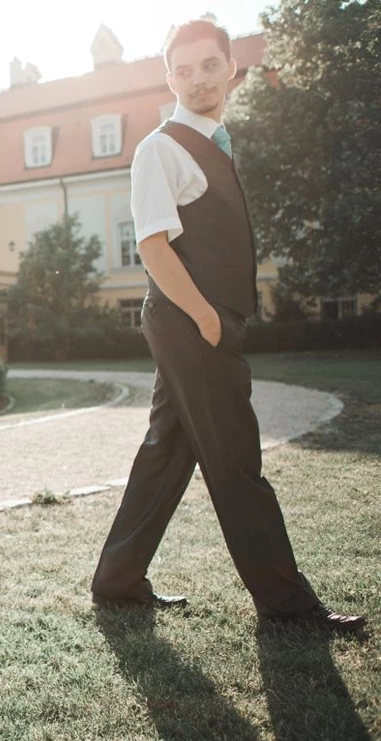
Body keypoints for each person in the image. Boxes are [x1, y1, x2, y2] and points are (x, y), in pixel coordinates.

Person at [89, 19, 365, 633]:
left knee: (166, 452)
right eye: (183, 71)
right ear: (169, 78)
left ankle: (116, 581)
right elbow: (154, 247)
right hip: (192, 321)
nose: (197, 80)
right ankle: (290, 607)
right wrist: (210, 319)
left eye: (208, 66)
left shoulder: (216, 140)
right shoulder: (161, 147)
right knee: (237, 461)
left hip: (197, 322)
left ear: (230, 69)